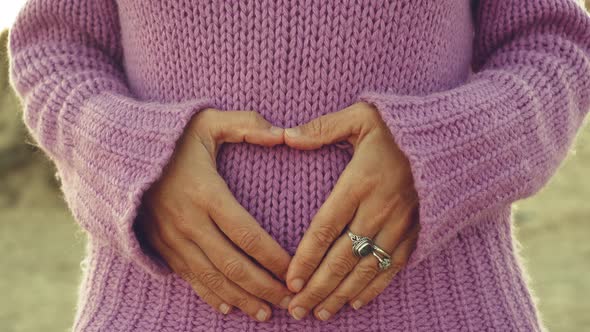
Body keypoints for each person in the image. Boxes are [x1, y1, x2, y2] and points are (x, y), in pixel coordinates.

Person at [7, 0, 590, 331]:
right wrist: (135, 162)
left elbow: (553, 48)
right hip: (156, 315)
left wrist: (442, 151)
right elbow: (57, 50)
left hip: (446, 311)